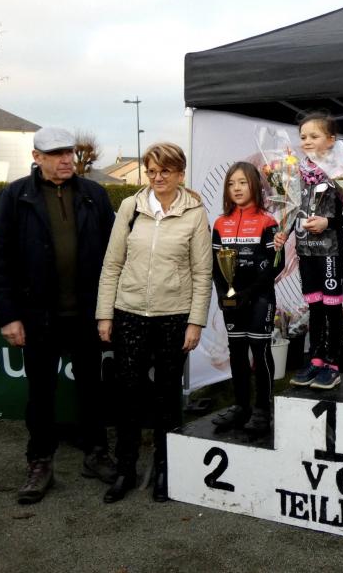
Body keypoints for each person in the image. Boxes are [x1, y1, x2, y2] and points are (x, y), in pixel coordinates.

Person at [0, 127, 117, 504]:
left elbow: (114, 255)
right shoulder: (15, 196)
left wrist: (108, 310)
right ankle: (40, 461)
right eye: (56, 154)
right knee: (41, 393)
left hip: (87, 314)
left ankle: (96, 453)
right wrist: (8, 316)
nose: (66, 160)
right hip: (38, 316)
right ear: (37, 157)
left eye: (69, 152)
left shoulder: (94, 194)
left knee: (91, 388)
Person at [96, 142, 212, 503]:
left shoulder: (195, 213)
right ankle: (126, 469)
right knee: (127, 395)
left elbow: (202, 272)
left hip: (174, 318)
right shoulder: (130, 207)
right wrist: (105, 314)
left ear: (180, 174)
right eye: (151, 171)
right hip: (129, 314)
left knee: (167, 397)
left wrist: (195, 322)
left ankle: (165, 468)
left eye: (165, 171)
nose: (157, 177)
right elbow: (112, 264)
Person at [274, 112, 343, 390]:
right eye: (303, 136)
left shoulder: (342, 171)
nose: (307, 141)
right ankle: (316, 359)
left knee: (332, 307)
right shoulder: (295, 171)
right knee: (314, 307)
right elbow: (291, 208)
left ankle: (333, 363)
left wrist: (327, 222)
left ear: (331, 140)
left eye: (314, 136)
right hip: (306, 251)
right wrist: (283, 232)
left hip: (330, 251)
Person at [210, 162, 282, 435]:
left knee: (259, 351)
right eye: (231, 184)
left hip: (259, 297)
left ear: (255, 185)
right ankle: (241, 406)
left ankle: (263, 409)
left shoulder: (268, 221)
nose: (236, 188)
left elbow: (276, 264)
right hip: (232, 299)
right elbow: (216, 265)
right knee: (236, 351)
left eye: (242, 182)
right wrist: (223, 294)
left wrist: (248, 293)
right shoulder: (221, 223)